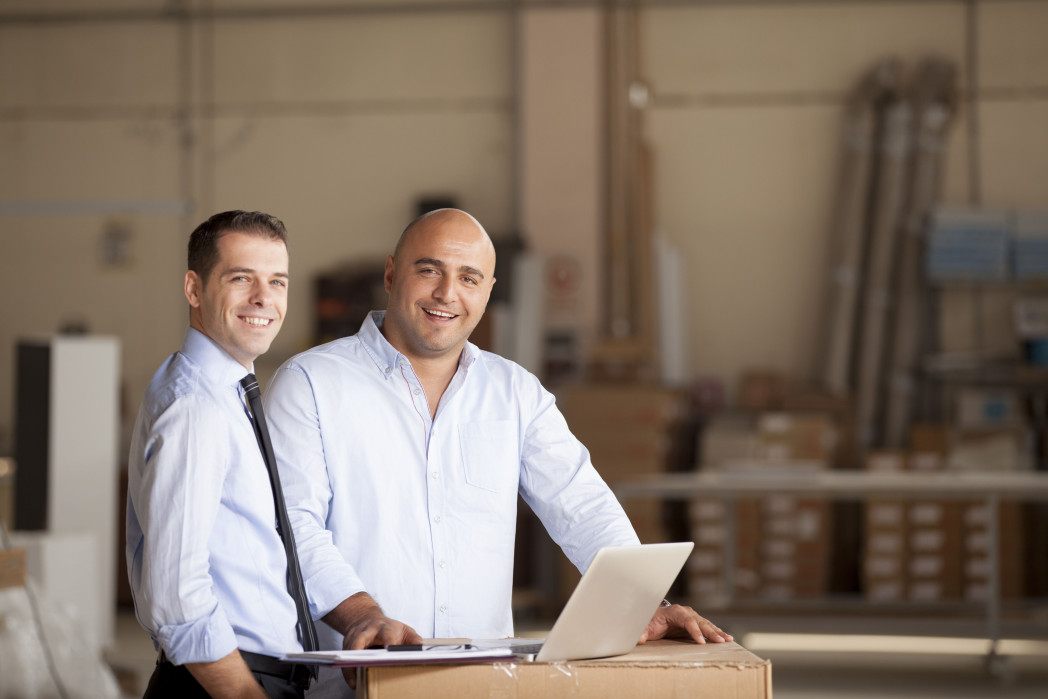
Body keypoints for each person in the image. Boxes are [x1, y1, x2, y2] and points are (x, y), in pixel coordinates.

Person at [264, 208, 731, 696]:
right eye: (429, 270)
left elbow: (581, 504)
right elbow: (294, 523)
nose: (447, 293)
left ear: (488, 292)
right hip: (355, 684)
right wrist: (363, 614)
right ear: (390, 274)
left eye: (469, 277)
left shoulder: (515, 392)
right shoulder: (310, 383)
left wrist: (645, 603)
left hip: (481, 682)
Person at [126, 210, 314, 698]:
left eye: (277, 281)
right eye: (241, 278)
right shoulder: (195, 406)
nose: (263, 298)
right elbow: (175, 593)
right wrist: (245, 694)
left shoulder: (226, 394)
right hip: (223, 685)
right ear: (193, 289)